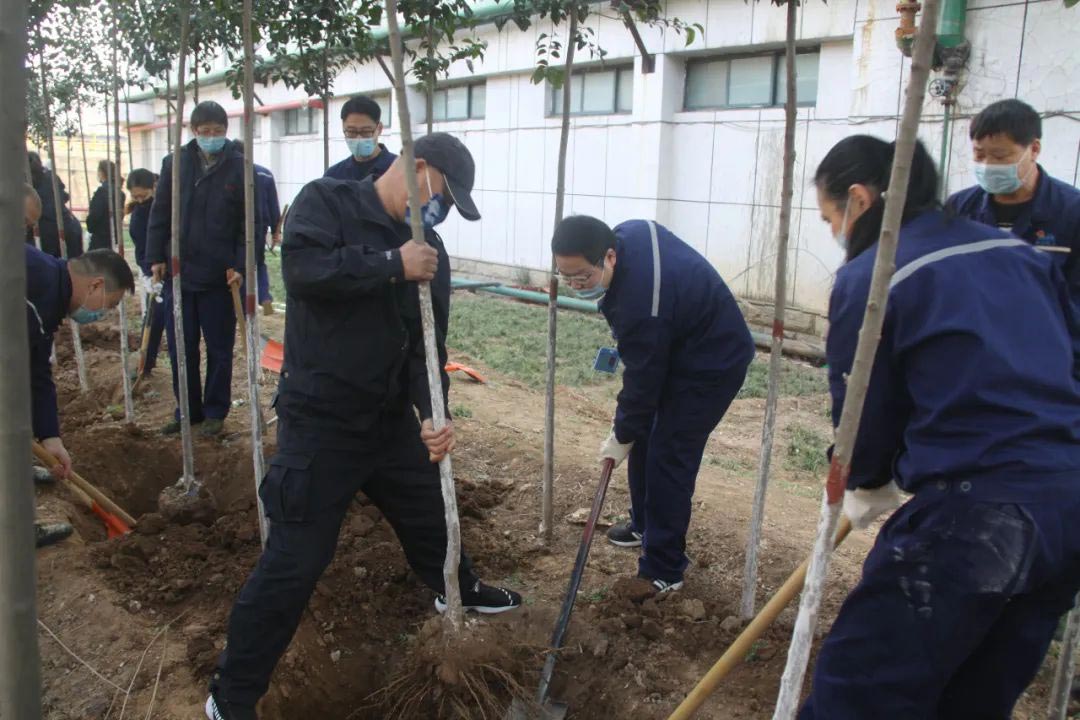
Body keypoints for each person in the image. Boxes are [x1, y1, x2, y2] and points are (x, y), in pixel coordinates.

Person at [205, 132, 520, 720]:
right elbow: (303, 273)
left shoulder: (431, 254)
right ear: (416, 166)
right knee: (296, 561)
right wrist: (389, 265)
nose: (440, 212)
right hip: (320, 423)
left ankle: (461, 588)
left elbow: (430, 346)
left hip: (387, 422)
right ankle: (232, 695)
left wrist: (434, 415)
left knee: (432, 516)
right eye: (441, 196)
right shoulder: (329, 202)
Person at [799, 135, 1080, 718]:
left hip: (980, 519)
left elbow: (861, 406)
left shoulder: (876, 278)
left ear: (859, 199)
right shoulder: (1017, 254)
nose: (834, 233)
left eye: (830, 218)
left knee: (860, 690)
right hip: (1068, 505)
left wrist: (867, 479)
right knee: (973, 697)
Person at [551, 215, 754, 594]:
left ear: (610, 257)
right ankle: (644, 524)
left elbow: (642, 382)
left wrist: (622, 432)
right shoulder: (628, 234)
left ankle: (664, 568)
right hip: (677, 342)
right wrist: (632, 430)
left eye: (583, 278)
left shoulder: (641, 303)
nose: (576, 285)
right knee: (645, 436)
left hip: (712, 361)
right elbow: (647, 365)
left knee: (668, 454)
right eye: (567, 277)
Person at [25, 185, 135, 545]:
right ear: (96, 284)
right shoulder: (34, 285)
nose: (103, 313)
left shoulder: (48, 293)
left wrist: (50, 435)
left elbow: (37, 369)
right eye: (110, 302)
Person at [147, 101, 246, 437]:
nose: (211, 138)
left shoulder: (239, 166)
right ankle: (187, 411)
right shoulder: (175, 164)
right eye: (205, 132)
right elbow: (159, 213)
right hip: (180, 272)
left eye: (218, 132)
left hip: (220, 276)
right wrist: (155, 258)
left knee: (219, 349)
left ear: (226, 131)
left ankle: (216, 411)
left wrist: (241, 264)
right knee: (181, 347)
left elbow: (249, 224)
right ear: (193, 132)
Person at [947, 99, 1080, 299]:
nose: (988, 164)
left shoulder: (1071, 211)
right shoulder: (959, 207)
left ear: (1034, 149)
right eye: (979, 154)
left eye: (1000, 156)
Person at [231, 139, 280, 315]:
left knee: (241, 265)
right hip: (260, 226)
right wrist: (276, 229)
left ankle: (245, 303)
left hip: (239, 228)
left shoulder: (236, 173)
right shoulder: (264, 173)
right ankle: (264, 297)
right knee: (258, 262)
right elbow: (273, 204)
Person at [126, 169, 164, 377]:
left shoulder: (163, 207)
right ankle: (145, 363)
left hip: (171, 270)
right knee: (152, 317)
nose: (140, 200)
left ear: (154, 188)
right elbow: (141, 247)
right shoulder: (138, 213)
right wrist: (148, 273)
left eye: (144, 195)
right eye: (135, 197)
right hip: (152, 273)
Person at [324, 95, 397, 182]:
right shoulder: (333, 176)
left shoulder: (399, 170)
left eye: (365, 132)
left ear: (379, 128)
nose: (358, 138)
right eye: (352, 132)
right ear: (343, 128)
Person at [26, 151, 83, 260]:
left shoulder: (28, 183)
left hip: (47, 230)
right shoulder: (51, 176)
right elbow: (65, 196)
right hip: (69, 225)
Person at [85, 160, 125, 251]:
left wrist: (90, 226)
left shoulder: (102, 191)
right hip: (112, 234)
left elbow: (95, 215)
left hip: (100, 235)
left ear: (101, 172)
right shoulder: (120, 193)